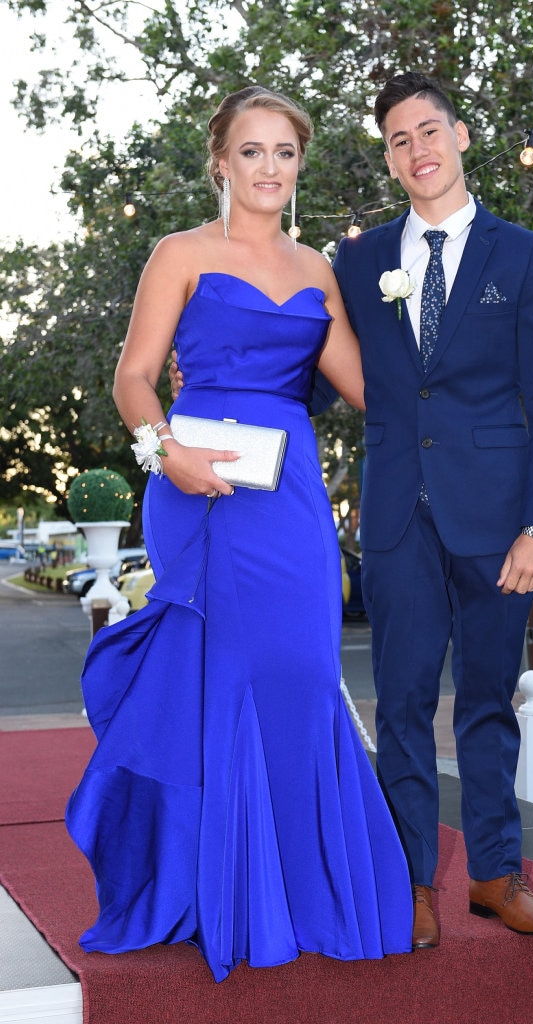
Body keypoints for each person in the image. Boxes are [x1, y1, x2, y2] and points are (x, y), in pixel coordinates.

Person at [170, 72, 533, 948]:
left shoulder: (525, 255)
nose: (417, 149)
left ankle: (496, 876)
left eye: (428, 131)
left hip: (498, 520)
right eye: (398, 140)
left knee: (487, 701)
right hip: (394, 515)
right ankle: (411, 882)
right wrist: (212, 387)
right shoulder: (355, 262)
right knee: (395, 703)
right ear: (389, 160)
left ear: (460, 137)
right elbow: (317, 372)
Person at [65, 85, 413, 984]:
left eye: (284, 153)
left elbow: (370, 391)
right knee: (219, 679)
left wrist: (423, 320)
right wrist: (164, 452)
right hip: (196, 485)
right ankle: (216, 890)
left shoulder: (318, 271)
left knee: (300, 672)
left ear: (299, 166)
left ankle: (302, 894)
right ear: (220, 160)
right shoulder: (178, 253)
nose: (268, 168)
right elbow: (134, 377)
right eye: (251, 151)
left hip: (286, 494)